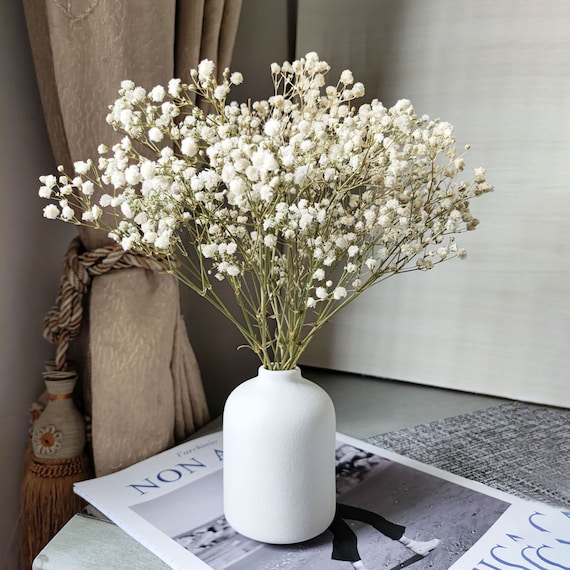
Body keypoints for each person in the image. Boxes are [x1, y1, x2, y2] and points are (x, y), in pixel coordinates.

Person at [328, 503, 440, 570]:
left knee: (344, 534)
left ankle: (414, 545)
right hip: (318, 506)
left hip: (316, 508)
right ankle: (413, 545)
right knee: (369, 518)